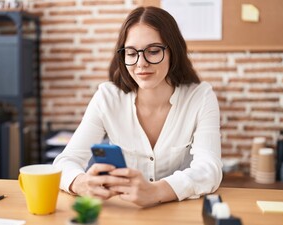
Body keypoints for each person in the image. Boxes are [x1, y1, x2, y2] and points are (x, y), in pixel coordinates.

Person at [53, 6, 222, 207]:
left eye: (153, 51)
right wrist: (80, 183)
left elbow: (209, 169)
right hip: (124, 212)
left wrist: (157, 191)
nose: (141, 63)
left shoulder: (201, 97)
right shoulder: (107, 97)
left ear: (173, 52)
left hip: (179, 211)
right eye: (131, 53)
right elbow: (65, 161)